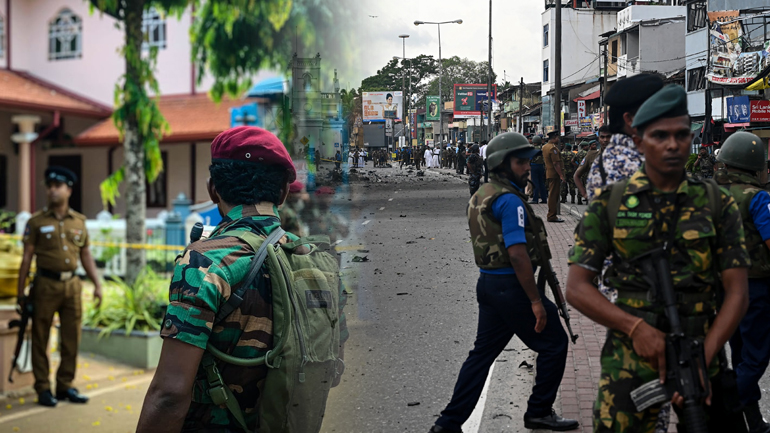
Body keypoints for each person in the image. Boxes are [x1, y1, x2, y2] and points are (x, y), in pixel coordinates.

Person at [566, 84, 750, 433]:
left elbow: (737, 292)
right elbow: (576, 288)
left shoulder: (716, 203)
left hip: (701, 350)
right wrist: (634, 328)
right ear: (638, 139)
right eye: (660, 135)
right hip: (631, 354)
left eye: (682, 135)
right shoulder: (612, 203)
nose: (672, 145)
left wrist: (705, 356)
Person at [138, 126, 347, 432]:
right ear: (283, 193)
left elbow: (169, 395)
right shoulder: (319, 261)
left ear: (213, 189)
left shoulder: (205, 262)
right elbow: (333, 370)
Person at [429, 132, 577, 433]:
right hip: (513, 287)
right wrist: (535, 300)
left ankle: (447, 424)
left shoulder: (484, 192)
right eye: (520, 162)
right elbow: (518, 254)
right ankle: (538, 411)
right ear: (501, 163)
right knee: (555, 343)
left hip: (490, 285)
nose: (526, 167)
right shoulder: (511, 202)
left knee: (481, 355)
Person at [17, 166, 103, 407]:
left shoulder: (79, 221)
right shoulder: (36, 222)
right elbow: (26, 257)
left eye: (58, 186)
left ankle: (65, 385)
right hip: (45, 285)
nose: (52, 190)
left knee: (71, 339)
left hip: (72, 286)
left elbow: (86, 255)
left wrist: (97, 284)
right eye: (50, 186)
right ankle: (43, 388)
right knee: (40, 338)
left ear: (68, 190)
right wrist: (20, 291)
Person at [716, 131, 770, 433]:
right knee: (757, 355)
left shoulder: (712, 194)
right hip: (755, 286)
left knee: (739, 353)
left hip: (721, 287)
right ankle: (727, 404)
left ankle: (753, 422)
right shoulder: (758, 198)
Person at [542, 131, 565, 223]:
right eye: (557, 138)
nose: (558, 139)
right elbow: (556, 163)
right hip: (554, 174)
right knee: (553, 195)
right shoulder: (553, 148)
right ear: (554, 138)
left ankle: (552, 214)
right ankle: (552, 215)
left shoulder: (545, 147)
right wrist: (561, 175)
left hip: (549, 173)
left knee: (552, 194)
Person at [530, 135, 548, 205]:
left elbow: (530, 158)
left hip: (534, 166)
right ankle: (544, 198)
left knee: (535, 183)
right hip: (541, 166)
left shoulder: (532, 149)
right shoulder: (543, 148)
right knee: (541, 183)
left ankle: (535, 199)